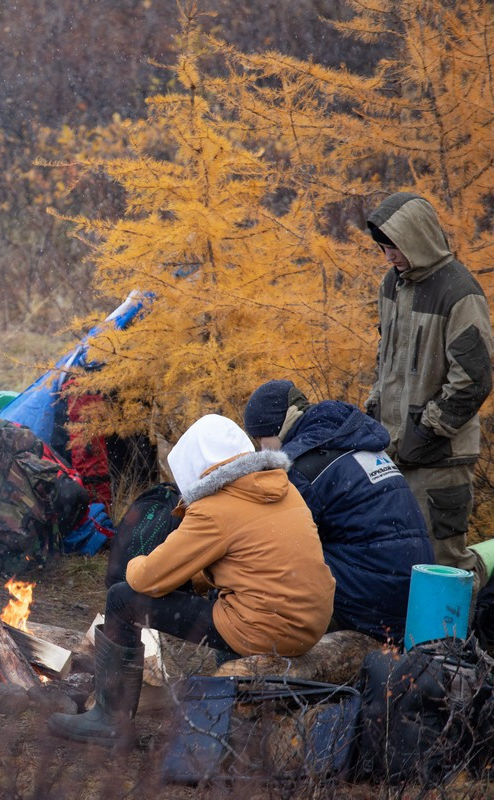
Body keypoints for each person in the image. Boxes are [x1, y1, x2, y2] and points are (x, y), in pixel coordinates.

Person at [49, 414, 335, 746]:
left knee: (122, 599)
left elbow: (146, 578)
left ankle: (111, 721)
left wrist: (134, 561)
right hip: (311, 623)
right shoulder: (281, 489)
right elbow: (253, 563)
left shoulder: (215, 509)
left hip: (266, 629)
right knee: (208, 591)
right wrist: (194, 578)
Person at [244, 379, 434, 642]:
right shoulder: (349, 439)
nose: (260, 449)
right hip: (416, 593)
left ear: (276, 428)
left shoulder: (300, 466)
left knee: (275, 558)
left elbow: (275, 545)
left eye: (259, 439)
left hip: (375, 601)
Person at [366, 192, 493, 581]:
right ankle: (410, 642)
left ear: (417, 237)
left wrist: (428, 430)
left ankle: (459, 638)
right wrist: (373, 414)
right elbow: (385, 358)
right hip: (393, 451)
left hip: (441, 458)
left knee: (443, 564)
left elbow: (474, 377)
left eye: (394, 248)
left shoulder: (460, 291)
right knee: (399, 558)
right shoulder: (393, 284)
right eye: (384, 249)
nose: (389, 257)